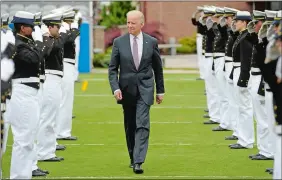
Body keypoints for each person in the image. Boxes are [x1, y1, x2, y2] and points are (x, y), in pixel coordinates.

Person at [108, 10, 165, 174]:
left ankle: (139, 161)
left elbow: (157, 68)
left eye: (133, 23)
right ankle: (133, 156)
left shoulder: (151, 42)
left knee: (142, 124)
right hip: (126, 90)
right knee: (130, 125)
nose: (130, 26)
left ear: (142, 23)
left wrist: (160, 90)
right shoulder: (119, 42)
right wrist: (116, 88)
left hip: (145, 89)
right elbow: (112, 69)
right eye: (128, 22)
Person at [7, 10, 48, 179]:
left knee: (28, 137)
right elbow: (34, 59)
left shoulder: (25, 42)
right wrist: (39, 41)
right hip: (22, 91)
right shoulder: (17, 43)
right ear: (23, 28)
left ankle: (24, 174)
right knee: (23, 139)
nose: (33, 30)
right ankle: (18, 176)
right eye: (31, 27)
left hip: (29, 91)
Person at [247, 10, 274, 160]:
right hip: (256, 78)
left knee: (265, 118)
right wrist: (254, 36)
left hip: (263, 80)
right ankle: (264, 150)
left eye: (258, 23)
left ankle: (268, 151)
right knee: (260, 117)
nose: (257, 25)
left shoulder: (272, 41)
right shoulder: (264, 40)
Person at [229, 11, 253, 149]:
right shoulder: (241, 36)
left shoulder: (246, 38)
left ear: (244, 22)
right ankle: (243, 138)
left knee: (245, 108)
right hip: (238, 70)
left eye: (237, 21)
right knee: (241, 107)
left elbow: (246, 60)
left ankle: (247, 140)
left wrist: (243, 80)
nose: (235, 23)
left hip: (243, 72)